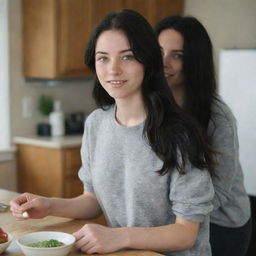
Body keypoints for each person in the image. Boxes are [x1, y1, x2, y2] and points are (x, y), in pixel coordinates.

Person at [10, 10, 215, 256]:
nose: (113, 70)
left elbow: (185, 233)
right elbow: (93, 199)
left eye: (127, 57)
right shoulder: (96, 124)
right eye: (103, 58)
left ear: (148, 61)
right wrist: (49, 205)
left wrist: (118, 236)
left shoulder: (181, 133)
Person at [155, 15, 252, 256]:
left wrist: (177, 216)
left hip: (222, 224)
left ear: (195, 61)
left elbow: (220, 190)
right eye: (159, 52)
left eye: (177, 55)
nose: (163, 62)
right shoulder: (153, 107)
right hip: (176, 223)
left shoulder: (218, 118)